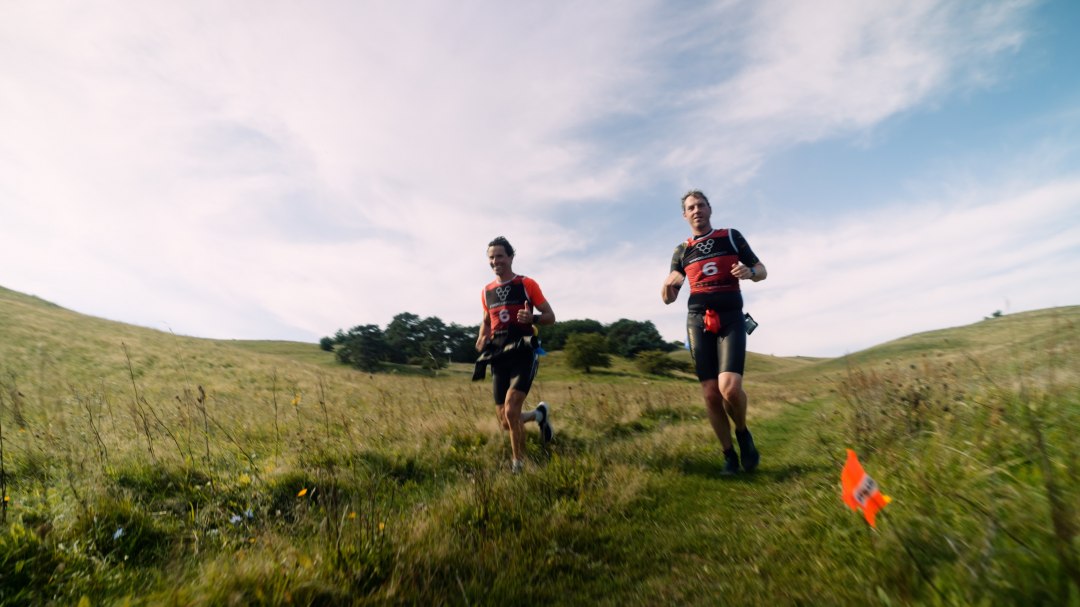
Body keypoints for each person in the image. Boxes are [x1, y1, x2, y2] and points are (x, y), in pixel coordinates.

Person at [662, 190, 767, 475]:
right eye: (690, 207)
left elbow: (762, 269)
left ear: (710, 209)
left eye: (701, 205)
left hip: (732, 316)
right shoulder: (681, 251)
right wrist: (667, 285)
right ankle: (729, 456)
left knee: (729, 389)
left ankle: (743, 433)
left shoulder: (731, 236)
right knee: (710, 394)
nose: (696, 210)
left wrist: (750, 272)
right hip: (698, 320)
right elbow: (669, 298)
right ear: (685, 215)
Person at [475, 236, 556, 474]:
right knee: (505, 421)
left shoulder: (527, 284)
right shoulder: (486, 291)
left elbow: (551, 316)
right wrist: (482, 336)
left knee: (511, 411)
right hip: (498, 355)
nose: (495, 261)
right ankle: (539, 415)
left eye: (500, 256)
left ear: (510, 257)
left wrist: (534, 318)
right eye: (491, 257)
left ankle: (518, 467)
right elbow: (486, 321)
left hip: (523, 351)